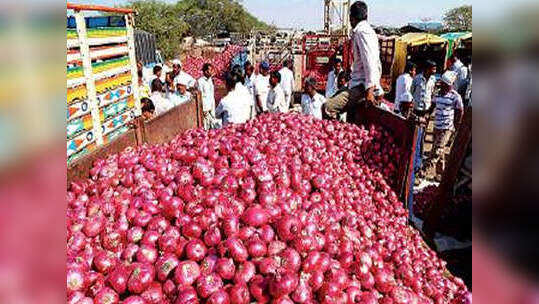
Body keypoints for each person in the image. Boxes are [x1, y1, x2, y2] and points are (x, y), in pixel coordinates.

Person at [323, 1, 382, 120]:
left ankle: (331, 134)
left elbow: (370, 61)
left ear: (351, 17)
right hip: (357, 83)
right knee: (338, 101)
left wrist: (370, 91)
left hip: (361, 86)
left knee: (327, 107)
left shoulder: (362, 32)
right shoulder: (367, 31)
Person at [423, 70, 463, 181]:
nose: (442, 86)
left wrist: (456, 125)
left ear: (450, 85)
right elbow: (432, 106)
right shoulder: (438, 94)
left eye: (445, 85)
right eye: (442, 84)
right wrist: (427, 115)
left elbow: (460, 111)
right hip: (437, 126)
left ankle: (422, 173)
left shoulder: (455, 97)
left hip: (447, 128)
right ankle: (440, 175)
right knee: (439, 151)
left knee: (436, 152)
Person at [197, 63, 216, 129]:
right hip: (205, 108)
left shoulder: (210, 80)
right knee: (206, 126)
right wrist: (203, 109)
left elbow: (211, 94)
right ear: (205, 71)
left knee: (213, 125)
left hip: (211, 106)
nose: (211, 72)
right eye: (210, 70)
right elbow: (200, 95)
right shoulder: (200, 81)